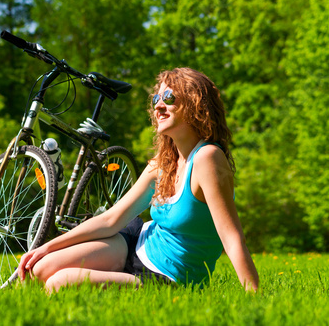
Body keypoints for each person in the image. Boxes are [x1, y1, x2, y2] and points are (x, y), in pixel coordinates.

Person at [17, 67, 259, 293]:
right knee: (40, 268)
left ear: (196, 105)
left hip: (166, 276)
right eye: (156, 100)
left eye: (169, 98)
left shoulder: (208, 158)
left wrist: (254, 297)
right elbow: (111, 219)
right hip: (136, 242)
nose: (159, 106)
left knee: (59, 283)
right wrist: (48, 246)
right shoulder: (161, 163)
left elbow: (231, 236)